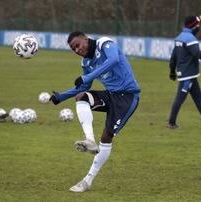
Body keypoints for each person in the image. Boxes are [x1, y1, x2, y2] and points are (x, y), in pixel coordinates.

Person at [50, 31, 140, 192]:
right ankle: (89, 140)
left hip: (127, 97)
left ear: (85, 39)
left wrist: (87, 77)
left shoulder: (104, 43)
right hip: (111, 95)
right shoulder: (86, 63)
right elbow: (84, 86)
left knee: (106, 136)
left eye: (77, 45)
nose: (77, 50)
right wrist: (61, 97)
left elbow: (114, 60)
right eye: (73, 49)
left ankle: (88, 181)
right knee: (81, 96)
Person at [167, 16, 201, 129]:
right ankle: (171, 123)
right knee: (180, 98)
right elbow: (199, 55)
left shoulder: (179, 38)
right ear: (193, 26)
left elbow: (173, 57)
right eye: (197, 25)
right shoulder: (190, 39)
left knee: (198, 97)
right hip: (188, 75)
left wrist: (172, 71)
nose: (199, 27)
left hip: (190, 74)